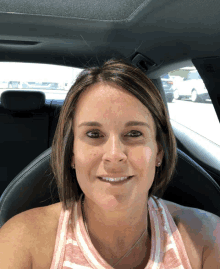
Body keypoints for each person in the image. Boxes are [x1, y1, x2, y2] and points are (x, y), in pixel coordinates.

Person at [0, 58, 219, 269]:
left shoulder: (206, 236)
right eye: (94, 134)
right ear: (72, 154)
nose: (114, 155)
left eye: (134, 133)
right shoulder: (23, 241)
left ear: (159, 151)